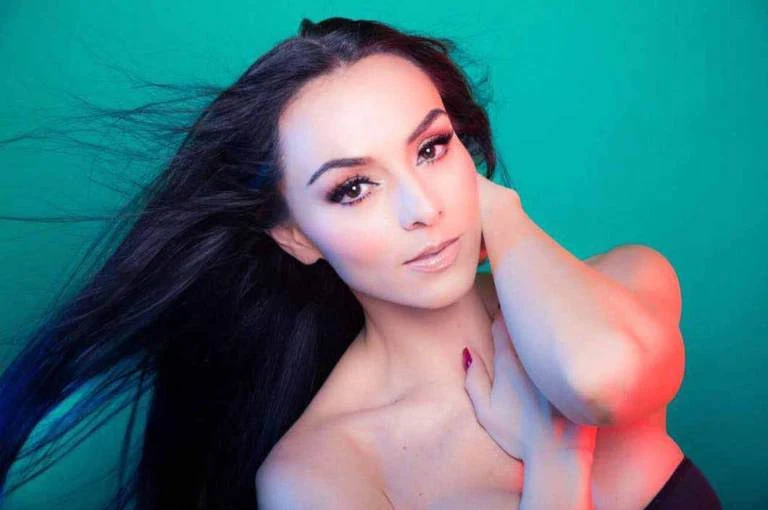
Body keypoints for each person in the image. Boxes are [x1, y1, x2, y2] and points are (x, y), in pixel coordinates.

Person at [0, 16, 720, 509]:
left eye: (431, 148)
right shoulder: (320, 474)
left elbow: (599, 380)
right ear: (296, 236)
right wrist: (555, 459)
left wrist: (499, 210)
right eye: (352, 188)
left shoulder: (619, 285)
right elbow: (582, 407)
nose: (421, 208)